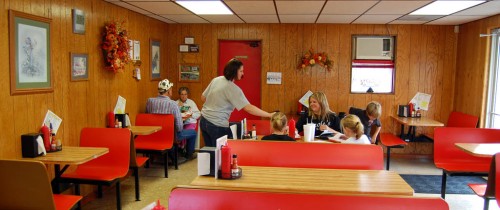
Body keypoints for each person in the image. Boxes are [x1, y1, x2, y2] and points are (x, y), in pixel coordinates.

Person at [200, 58, 273, 147]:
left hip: (204, 120)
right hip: (217, 125)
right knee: (222, 154)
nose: (243, 73)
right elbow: (249, 108)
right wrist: (269, 115)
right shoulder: (233, 89)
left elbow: (203, 98)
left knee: (210, 151)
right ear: (234, 71)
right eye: (241, 71)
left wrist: (216, 104)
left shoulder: (216, 80)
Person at [146, 79, 197, 160]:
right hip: (171, 135)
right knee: (193, 133)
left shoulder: (150, 101)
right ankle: (189, 155)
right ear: (169, 91)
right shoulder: (173, 104)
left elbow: (148, 116)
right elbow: (179, 127)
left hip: (155, 134)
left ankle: (173, 154)